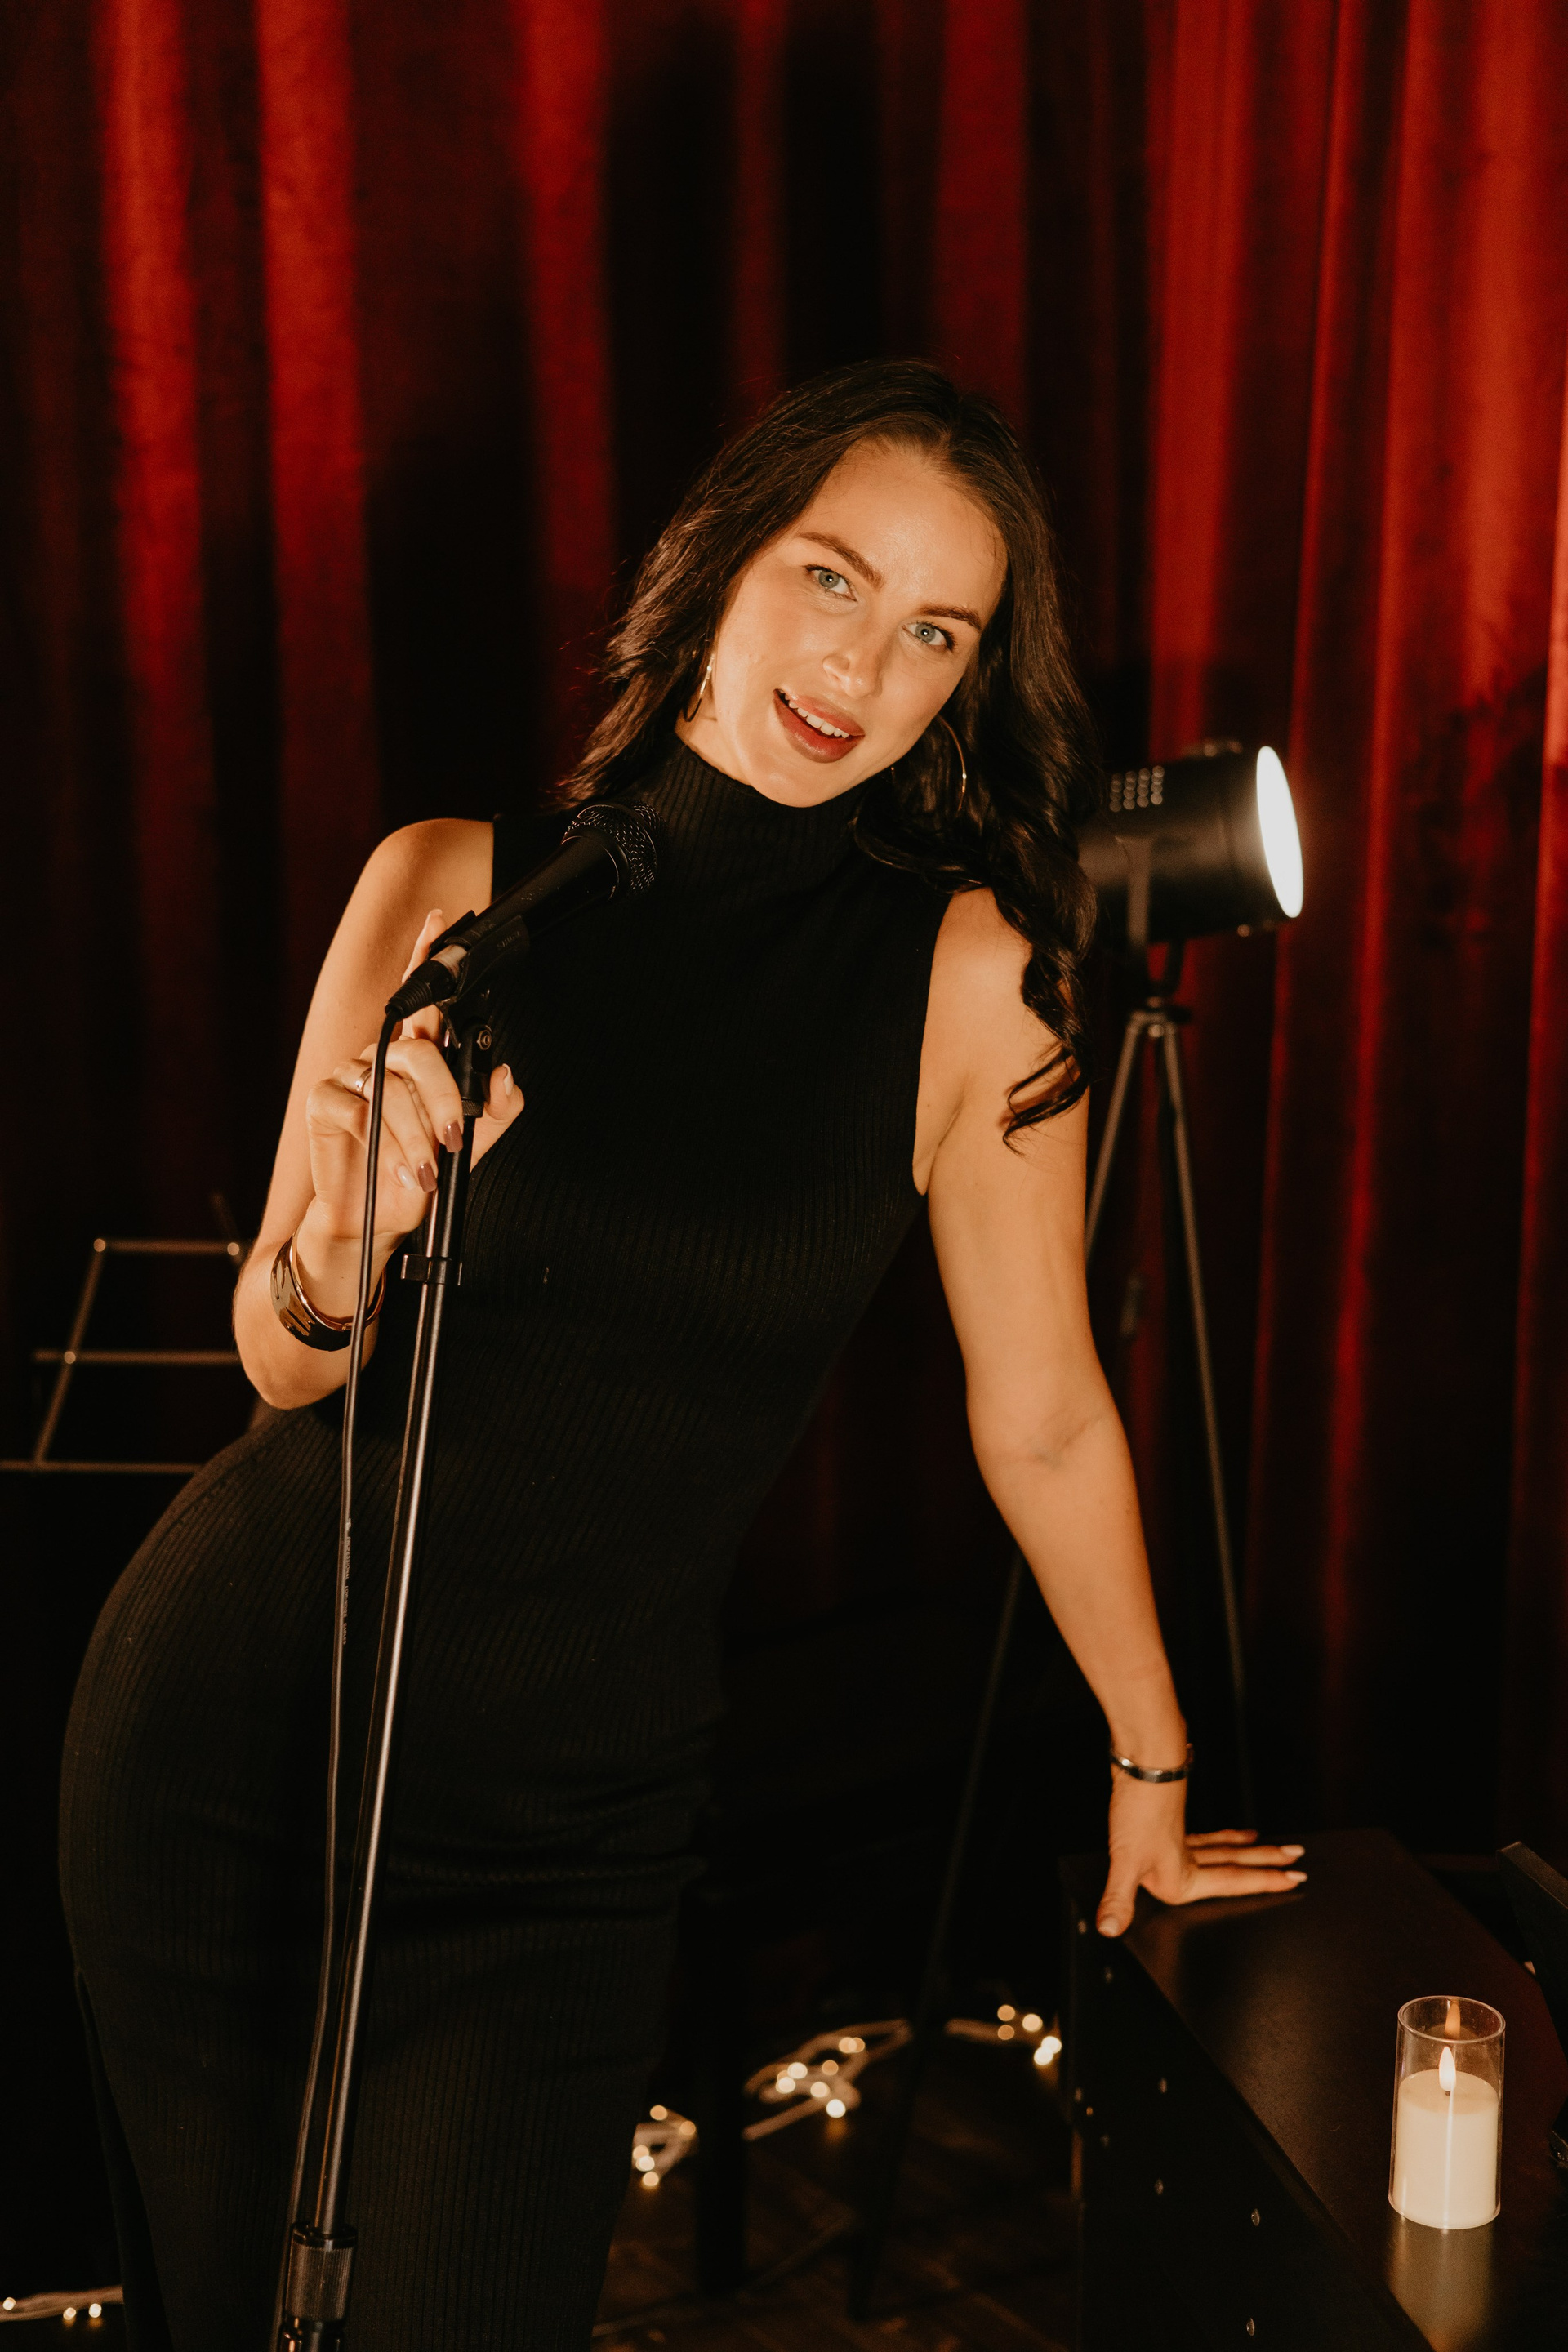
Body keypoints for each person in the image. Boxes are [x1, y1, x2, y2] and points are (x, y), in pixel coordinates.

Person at [60, 359, 1304, 2350]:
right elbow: (279, 1371)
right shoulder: (454, 889)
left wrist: (1149, 1760)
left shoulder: (976, 978)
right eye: (832, 576)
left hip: (562, 1831)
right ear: (723, 558)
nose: (862, 664)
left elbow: (1049, 1416)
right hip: (240, 1742)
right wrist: (346, 1253)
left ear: (968, 682)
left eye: (936, 631)